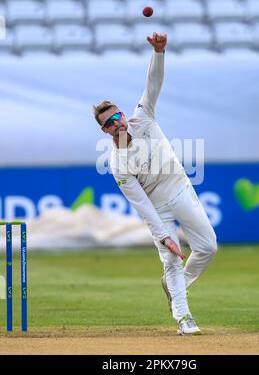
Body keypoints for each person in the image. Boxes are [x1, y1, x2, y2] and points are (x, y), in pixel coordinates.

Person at [93, 32, 217, 335]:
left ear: (123, 114)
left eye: (117, 116)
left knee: (208, 247)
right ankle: (184, 318)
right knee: (172, 261)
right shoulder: (116, 163)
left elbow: (153, 85)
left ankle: (179, 287)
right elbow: (141, 205)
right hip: (158, 207)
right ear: (104, 130)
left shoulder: (142, 117)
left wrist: (159, 53)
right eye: (109, 122)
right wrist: (164, 237)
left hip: (181, 190)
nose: (118, 123)